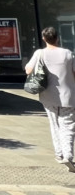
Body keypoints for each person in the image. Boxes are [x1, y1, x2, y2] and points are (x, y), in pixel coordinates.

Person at [25, 26, 75, 172]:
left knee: (54, 125)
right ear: (57, 38)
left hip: (48, 96)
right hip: (69, 96)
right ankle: (68, 155)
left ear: (44, 38)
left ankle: (59, 154)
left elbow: (28, 70)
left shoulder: (40, 53)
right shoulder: (67, 53)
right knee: (68, 126)